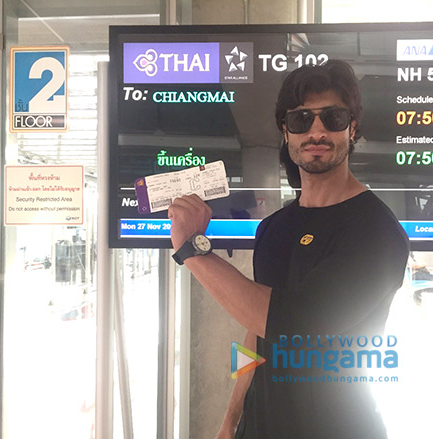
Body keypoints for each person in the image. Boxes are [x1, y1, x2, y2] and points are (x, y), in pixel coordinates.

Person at [167, 60, 409, 439]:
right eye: (301, 120)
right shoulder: (274, 228)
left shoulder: (377, 231)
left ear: (352, 127)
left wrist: (192, 251)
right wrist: (231, 419)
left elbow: (295, 324)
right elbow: (258, 330)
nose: (317, 131)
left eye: (332, 117)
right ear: (286, 130)